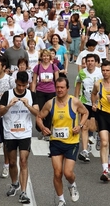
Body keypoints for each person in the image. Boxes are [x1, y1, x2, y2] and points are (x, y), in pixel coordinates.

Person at [36, 77, 88, 206]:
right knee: (57, 173)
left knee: (68, 173)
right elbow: (39, 117)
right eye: (57, 87)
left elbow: (85, 113)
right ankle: (61, 200)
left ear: (67, 89)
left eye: (62, 87)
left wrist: (80, 126)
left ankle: (72, 185)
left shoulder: (74, 102)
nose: (59, 90)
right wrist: (43, 127)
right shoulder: (50, 103)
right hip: (56, 142)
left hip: (72, 142)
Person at [0, 71, 39, 203]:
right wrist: (9, 105)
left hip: (25, 133)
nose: (21, 88)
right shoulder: (7, 94)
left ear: (28, 84)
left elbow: (37, 113)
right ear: (15, 82)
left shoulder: (31, 95)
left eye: (24, 85)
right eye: (19, 85)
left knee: (23, 161)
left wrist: (28, 105)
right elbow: (0, 113)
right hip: (10, 132)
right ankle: (14, 183)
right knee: (12, 162)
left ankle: (23, 192)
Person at [74, 54, 103, 162]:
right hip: (85, 103)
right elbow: (77, 85)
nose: (90, 63)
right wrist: (75, 101)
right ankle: (85, 151)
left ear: (96, 62)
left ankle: (99, 137)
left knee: (93, 127)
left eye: (92, 61)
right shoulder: (82, 73)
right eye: (88, 61)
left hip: (99, 103)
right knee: (84, 127)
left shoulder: (101, 72)